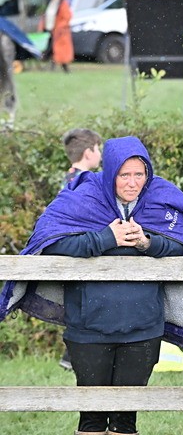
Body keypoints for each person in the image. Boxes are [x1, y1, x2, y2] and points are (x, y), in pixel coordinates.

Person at [0, 136, 183, 435]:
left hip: (143, 328)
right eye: (124, 174)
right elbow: (51, 241)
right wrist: (105, 238)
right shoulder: (83, 198)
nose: (132, 182)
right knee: (92, 411)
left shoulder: (160, 199)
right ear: (110, 173)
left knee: (126, 413)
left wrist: (148, 243)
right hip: (88, 327)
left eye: (139, 174)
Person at [57, 128, 103, 372]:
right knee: (86, 307)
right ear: (88, 152)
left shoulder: (67, 178)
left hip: (72, 248)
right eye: (98, 149)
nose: (100, 155)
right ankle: (73, 356)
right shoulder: (84, 181)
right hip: (83, 249)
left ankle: (71, 356)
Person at [40, 0, 74, 73]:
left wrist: (60, 27)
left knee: (58, 50)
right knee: (52, 49)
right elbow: (46, 16)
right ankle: (52, 67)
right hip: (50, 29)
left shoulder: (62, 4)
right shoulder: (51, 3)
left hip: (60, 31)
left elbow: (67, 17)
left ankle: (63, 69)